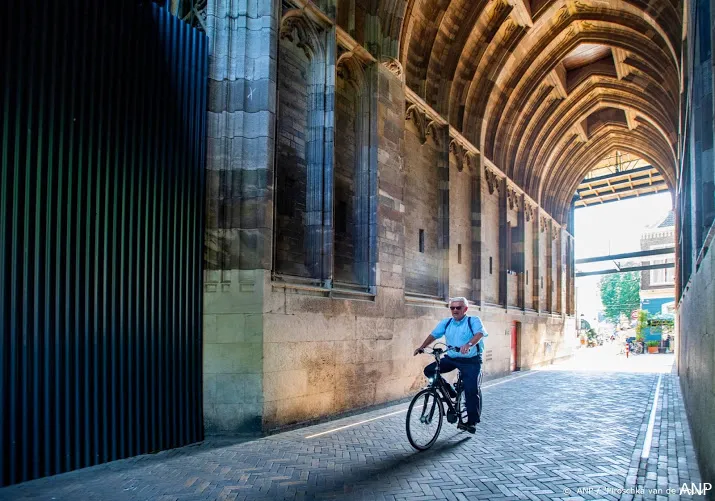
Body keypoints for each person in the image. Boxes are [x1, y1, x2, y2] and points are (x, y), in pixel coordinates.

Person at [413, 297, 488, 434]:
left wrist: (469, 344)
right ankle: (450, 391)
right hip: (452, 358)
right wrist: (422, 347)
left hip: (471, 361)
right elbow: (434, 335)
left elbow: (480, 333)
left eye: (458, 308)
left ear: (465, 309)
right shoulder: (446, 323)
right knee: (430, 370)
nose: (454, 310)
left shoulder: (473, 321)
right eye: (452, 308)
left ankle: (471, 421)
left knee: (471, 390)